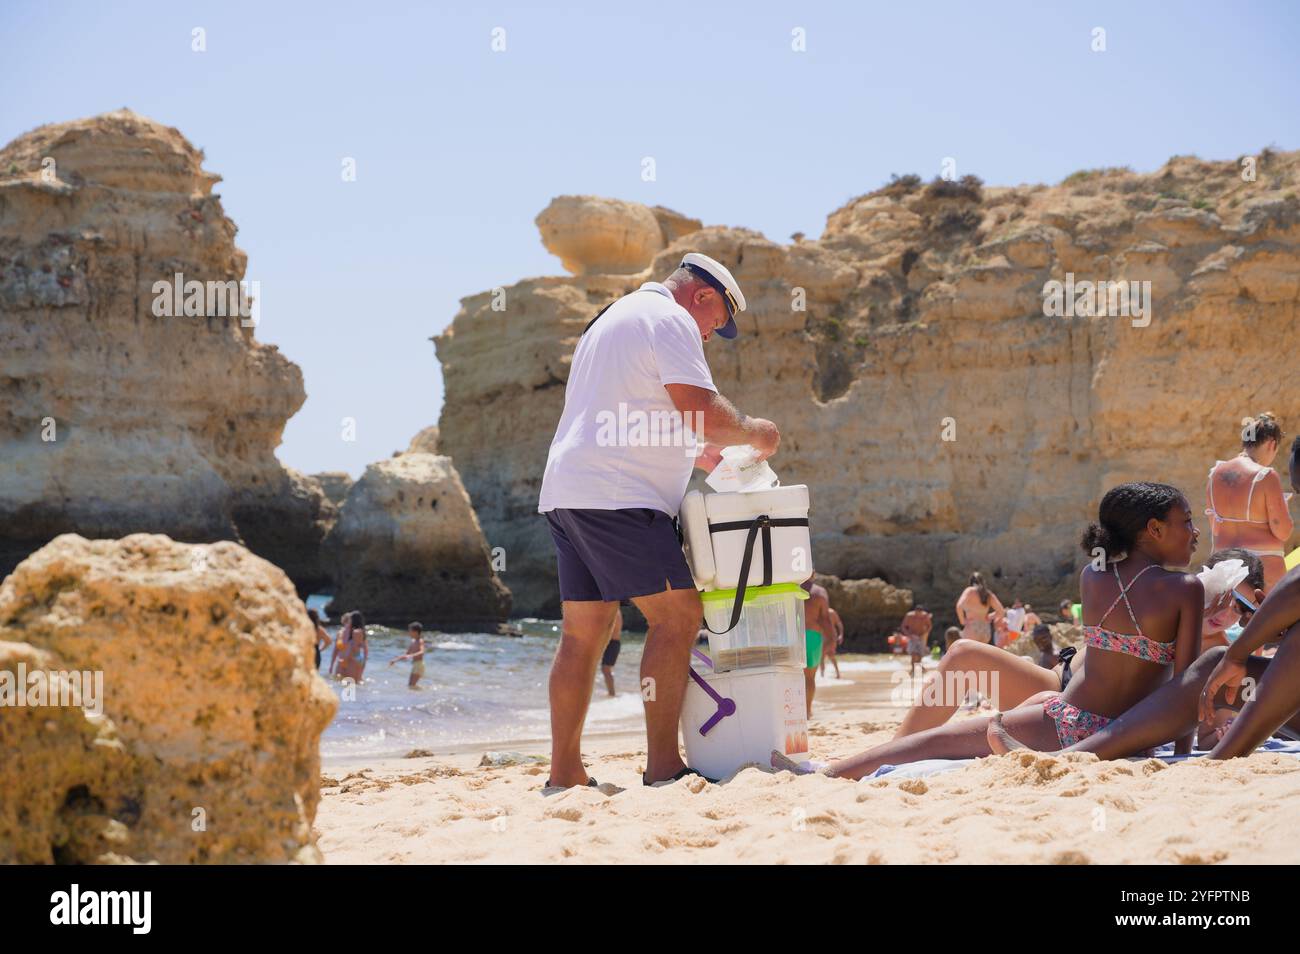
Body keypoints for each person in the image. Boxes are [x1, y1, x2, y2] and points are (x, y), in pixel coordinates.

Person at [537, 252, 780, 788]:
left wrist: (697, 454)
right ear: (702, 297)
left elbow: (624, 413)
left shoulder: (612, 319)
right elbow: (701, 409)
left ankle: (565, 773)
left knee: (584, 634)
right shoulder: (671, 320)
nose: (711, 336)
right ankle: (664, 767)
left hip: (568, 491)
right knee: (678, 615)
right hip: (621, 498)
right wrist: (754, 432)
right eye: (715, 323)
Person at [792, 482, 1203, 778]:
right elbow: (1183, 690)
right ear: (1153, 529)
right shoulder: (1186, 589)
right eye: (1186, 522)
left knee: (937, 742)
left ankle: (837, 772)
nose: (1196, 532)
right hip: (1123, 731)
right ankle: (865, 764)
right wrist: (1181, 755)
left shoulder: (1093, 577)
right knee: (957, 715)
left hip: (1070, 716)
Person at [1205, 412, 1293, 592]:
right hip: (1263, 567)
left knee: (1226, 620)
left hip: (1224, 564)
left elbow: (1215, 528)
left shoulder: (1215, 473)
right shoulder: (1265, 476)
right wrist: (1283, 507)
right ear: (1272, 444)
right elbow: (1282, 531)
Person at [802, 580, 832, 718]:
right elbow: (825, 618)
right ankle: (807, 710)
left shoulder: (790, 587)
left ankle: (796, 710)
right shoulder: (819, 592)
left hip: (794, 634)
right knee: (809, 676)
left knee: (791, 675)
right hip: (813, 636)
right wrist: (831, 638)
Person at [956, 572, 1003, 643]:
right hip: (985, 629)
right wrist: (989, 617)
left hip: (972, 627)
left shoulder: (970, 591)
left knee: (968, 653)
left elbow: (959, 606)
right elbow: (1001, 611)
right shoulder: (988, 594)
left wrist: (963, 621)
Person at [390, 622, 427, 689]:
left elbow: (422, 651)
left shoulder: (420, 641)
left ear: (415, 632)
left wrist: (411, 655)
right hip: (415, 665)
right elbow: (406, 655)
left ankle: (423, 693)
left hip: (419, 665)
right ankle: (419, 693)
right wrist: (395, 660)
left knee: (411, 685)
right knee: (410, 685)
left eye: (410, 631)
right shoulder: (413, 642)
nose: (409, 633)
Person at [900, 605, 933, 678]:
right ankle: (914, 669)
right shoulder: (909, 616)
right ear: (915, 611)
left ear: (922, 612)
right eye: (917, 613)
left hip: (922, 636)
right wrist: (909, 635)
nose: (918, 615)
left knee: (920, 654)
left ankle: (919, 669)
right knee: (913, 654)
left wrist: (925, 634)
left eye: (920, 613)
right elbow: (903, 626)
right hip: (912, 637)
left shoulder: (925, 616)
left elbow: (929, 626)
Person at [337, 611, 369, 683]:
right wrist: (364, 661)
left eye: (350, 619)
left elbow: (353, 649)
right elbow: (366, 649)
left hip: (352, 658)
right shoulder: (362, 632)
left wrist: (346, 659)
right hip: (359, 657)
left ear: (353, 620)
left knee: (349, 683)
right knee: (357, 681)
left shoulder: (355, 632)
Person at [599, 606, 624, 697]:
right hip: (611, 643)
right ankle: (611, 693)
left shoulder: (614, 611)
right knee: (605, 669)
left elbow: (610, 629)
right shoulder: (614, 610)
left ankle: (612, 693)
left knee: (606, 669)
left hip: (612, 643)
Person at [820, 607, 845, 679]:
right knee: (829, 655)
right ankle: (836, 674)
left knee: (825, 655)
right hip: (823, 636)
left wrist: (841, 635)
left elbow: (839, 623)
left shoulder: (831, 612)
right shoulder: (821, 613)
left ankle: (823, 675)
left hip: (831, 637)